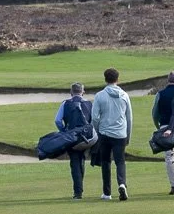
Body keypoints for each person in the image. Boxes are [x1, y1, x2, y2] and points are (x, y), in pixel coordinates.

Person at [90, 67, 133, 201]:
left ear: (105, 79)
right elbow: (129, 117)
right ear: (117, 79)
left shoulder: (100, 95)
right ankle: (121, 183)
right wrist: (128, 135)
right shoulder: (124, 95)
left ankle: (107, 193)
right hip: (120, 134)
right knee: (120, 161)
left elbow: (95, 118)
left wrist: (97, 131)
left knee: (106, 161)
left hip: (104, 133)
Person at [54, 82, 92, 200]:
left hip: (71, 137)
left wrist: (64, 130)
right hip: (85, 137)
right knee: (81, 160)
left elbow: (58, 121)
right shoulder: (89, 103)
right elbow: (94, 120)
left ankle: (78, 192)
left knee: (75, 162)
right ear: (83, 92)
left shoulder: (65, 104)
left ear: (71, 92)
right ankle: (79, 188)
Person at [152, 71, 174, 195]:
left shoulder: (160, 94)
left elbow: (155, 113)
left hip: (165, 127)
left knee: (170, 156)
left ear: (168, 80)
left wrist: (158, 126)